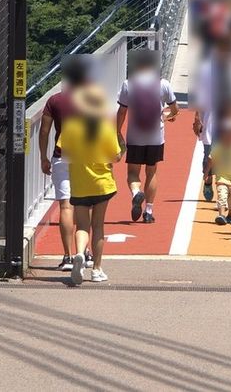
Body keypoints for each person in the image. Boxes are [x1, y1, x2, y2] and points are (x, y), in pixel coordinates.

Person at [57, 83, 124, 285]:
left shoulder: (71, 126)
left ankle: (79, 253)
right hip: (102, 183)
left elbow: (63, 152)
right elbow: (116, 156)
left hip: (79, 183)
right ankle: (96, 269)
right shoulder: (105, 127)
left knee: (83, 225)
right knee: (98, 226)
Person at [38, 56, 92, 271]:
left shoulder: (55, 100)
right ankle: (85, 253)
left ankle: (68, 257)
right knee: (85, 205)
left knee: (65, 206)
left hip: (61, 156)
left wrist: (43, 156)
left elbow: (44, 131)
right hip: (86, 158)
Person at [117, 50, 178, 223]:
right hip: (156, 136)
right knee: (151, 172)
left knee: (133, 173)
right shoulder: (163, 84)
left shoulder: (128, 84)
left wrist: (117, 132)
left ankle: (137, 193)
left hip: (135, 136)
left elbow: (122, 111)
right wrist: (168, 116)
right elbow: (175, 110)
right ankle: (149, 212)